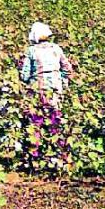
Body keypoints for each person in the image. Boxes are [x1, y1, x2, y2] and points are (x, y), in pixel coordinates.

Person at [20, 22, 73, 159]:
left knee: (36, 121)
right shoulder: (56, 49)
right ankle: (58, 153)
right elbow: (67, 69)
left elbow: (25, 75)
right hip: (55, 88)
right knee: (55, 118)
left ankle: (35, 155)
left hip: (38, 89)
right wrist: (59, 78)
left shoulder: (31, 51)